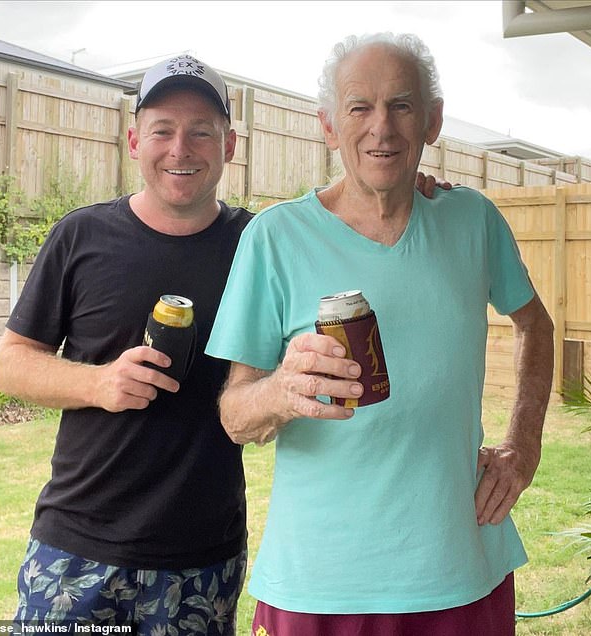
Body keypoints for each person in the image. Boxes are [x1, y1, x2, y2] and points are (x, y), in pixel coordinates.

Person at [0, 52, 446, 634]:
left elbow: (352, 212)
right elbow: (11, 364)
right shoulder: (81, 235)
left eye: (201, 132)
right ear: (134, 140)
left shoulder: (263, 243)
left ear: (230, 145)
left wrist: (411, 182)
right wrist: (98, 382)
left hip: (201, 558)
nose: (181, 148)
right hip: (74, 546)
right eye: (163, 130)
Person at [206, 32, 554, 636]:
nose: (382, 129)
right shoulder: (274, 238)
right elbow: (235, 417)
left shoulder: (472, 220)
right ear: (329, 126)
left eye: (402, 105)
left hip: (460, 565)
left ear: (433, 120)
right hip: (320, 580)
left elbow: (536, 325)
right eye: (358, 108)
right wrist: (284, 389)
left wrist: (522, 448)